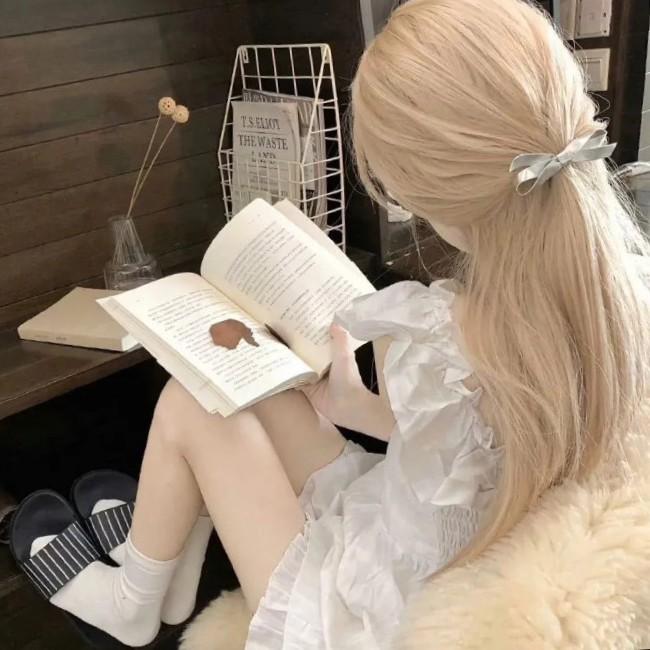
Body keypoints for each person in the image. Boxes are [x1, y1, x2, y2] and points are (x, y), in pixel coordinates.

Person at [15, 0, 650, 647]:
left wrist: (363, 409)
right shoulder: (618, 289)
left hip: (378, 608)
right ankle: (171, 572)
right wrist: (356, 409)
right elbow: (482, 448)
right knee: (249, 393)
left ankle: (133, 601)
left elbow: (466, 448)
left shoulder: (449, 337)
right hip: (429, 533)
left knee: (190, 401)